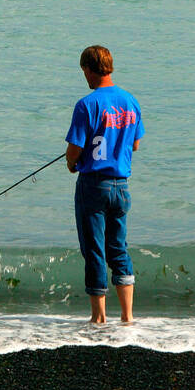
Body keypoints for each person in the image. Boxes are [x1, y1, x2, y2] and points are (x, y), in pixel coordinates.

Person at [65, 45, 143, 325]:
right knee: (118, 248)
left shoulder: (86, 104)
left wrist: (72, 164)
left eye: (83, 70)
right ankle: (127, 316)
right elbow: (134, 144)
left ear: (88, 68)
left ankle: (98, 317)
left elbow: (75, 150)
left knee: (95, 250)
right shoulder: (131, 101)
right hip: (121, 185)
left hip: (93, 184)